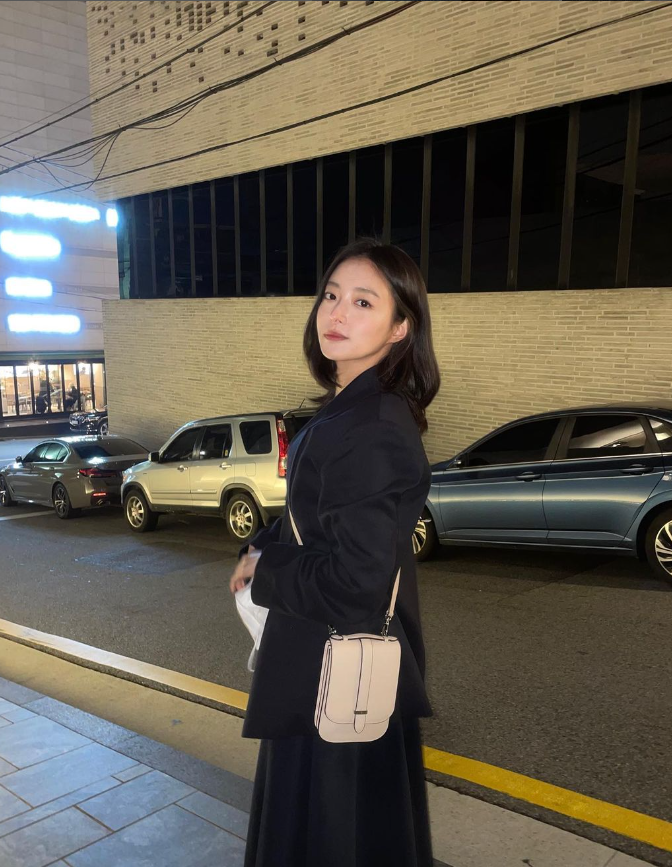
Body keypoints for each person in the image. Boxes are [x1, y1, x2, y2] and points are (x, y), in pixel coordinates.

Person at [229, 238, 441, 867]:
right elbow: (316, 519)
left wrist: (266, 570)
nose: (337, 312)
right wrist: (260, 545)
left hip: (334, 676)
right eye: (331, 295)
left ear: (401, 327)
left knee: (330, 834)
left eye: (363, 301)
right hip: (326, 668)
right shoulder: (350, 410)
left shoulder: (371, 426)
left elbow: (356, 582)